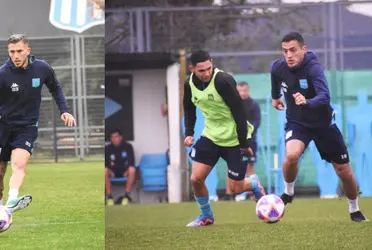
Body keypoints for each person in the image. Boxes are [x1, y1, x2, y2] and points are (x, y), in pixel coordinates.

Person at [270, 31, 368, 222]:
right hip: (297, 122)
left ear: (303, 49)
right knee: (291, 156)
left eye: (293, 50)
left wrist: (307, 101)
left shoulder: (314, 69)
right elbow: (275, 79)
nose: (289, 55)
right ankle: (288, 193)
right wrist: (275, 98)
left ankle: (354, 209)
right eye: (285, 51)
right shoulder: (278, 67)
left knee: (343, 171)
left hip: (324, 125)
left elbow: (325, 97)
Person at [183, 50, 266, 227]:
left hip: (235, 139)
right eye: (201, 71)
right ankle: (206, 216)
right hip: (211, 136)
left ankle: (253, 183)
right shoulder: (188, 84)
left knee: (234, 190)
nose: (206, 73)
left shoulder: (223, 81)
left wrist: (244, 144)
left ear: (212, 63)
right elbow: (189, 109)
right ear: (192, 69)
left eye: (209, 68)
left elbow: (240, 113)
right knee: (195, 179)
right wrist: (189, 133)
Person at [0, 34, 75, 213]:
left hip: (26, 127)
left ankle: (11, 201)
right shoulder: (3, 73)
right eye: (12, 52)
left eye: (19, 51)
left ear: (28, 50)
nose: (15, 56)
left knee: (19, 164)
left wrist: (64, 110)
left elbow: (55, 88)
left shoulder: (42, 68)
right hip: (3, 126)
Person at [233, 81, 262, 201]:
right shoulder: (233, 104)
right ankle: (241, 192)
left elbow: (257, 121)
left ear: (248, 91)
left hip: (250, 141)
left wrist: (247, 133)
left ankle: (257, 191)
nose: (242, 93)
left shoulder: (254, 104)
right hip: (235, 141)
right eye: (240, 91)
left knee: (249, 166)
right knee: (237, 166)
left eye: (244, 91)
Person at [105, 129, 136, 206]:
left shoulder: (128, 146)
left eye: (116, 137)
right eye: (112, 137)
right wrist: (109, 169)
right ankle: (109, 197)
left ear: (120, 137)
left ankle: (126, 196)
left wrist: (127, 169)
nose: (114, 139)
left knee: (132, 170)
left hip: (125, 172)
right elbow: (106, 162)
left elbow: (131, 160)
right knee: (104, 170)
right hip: (112, 172)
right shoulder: (107, 148)